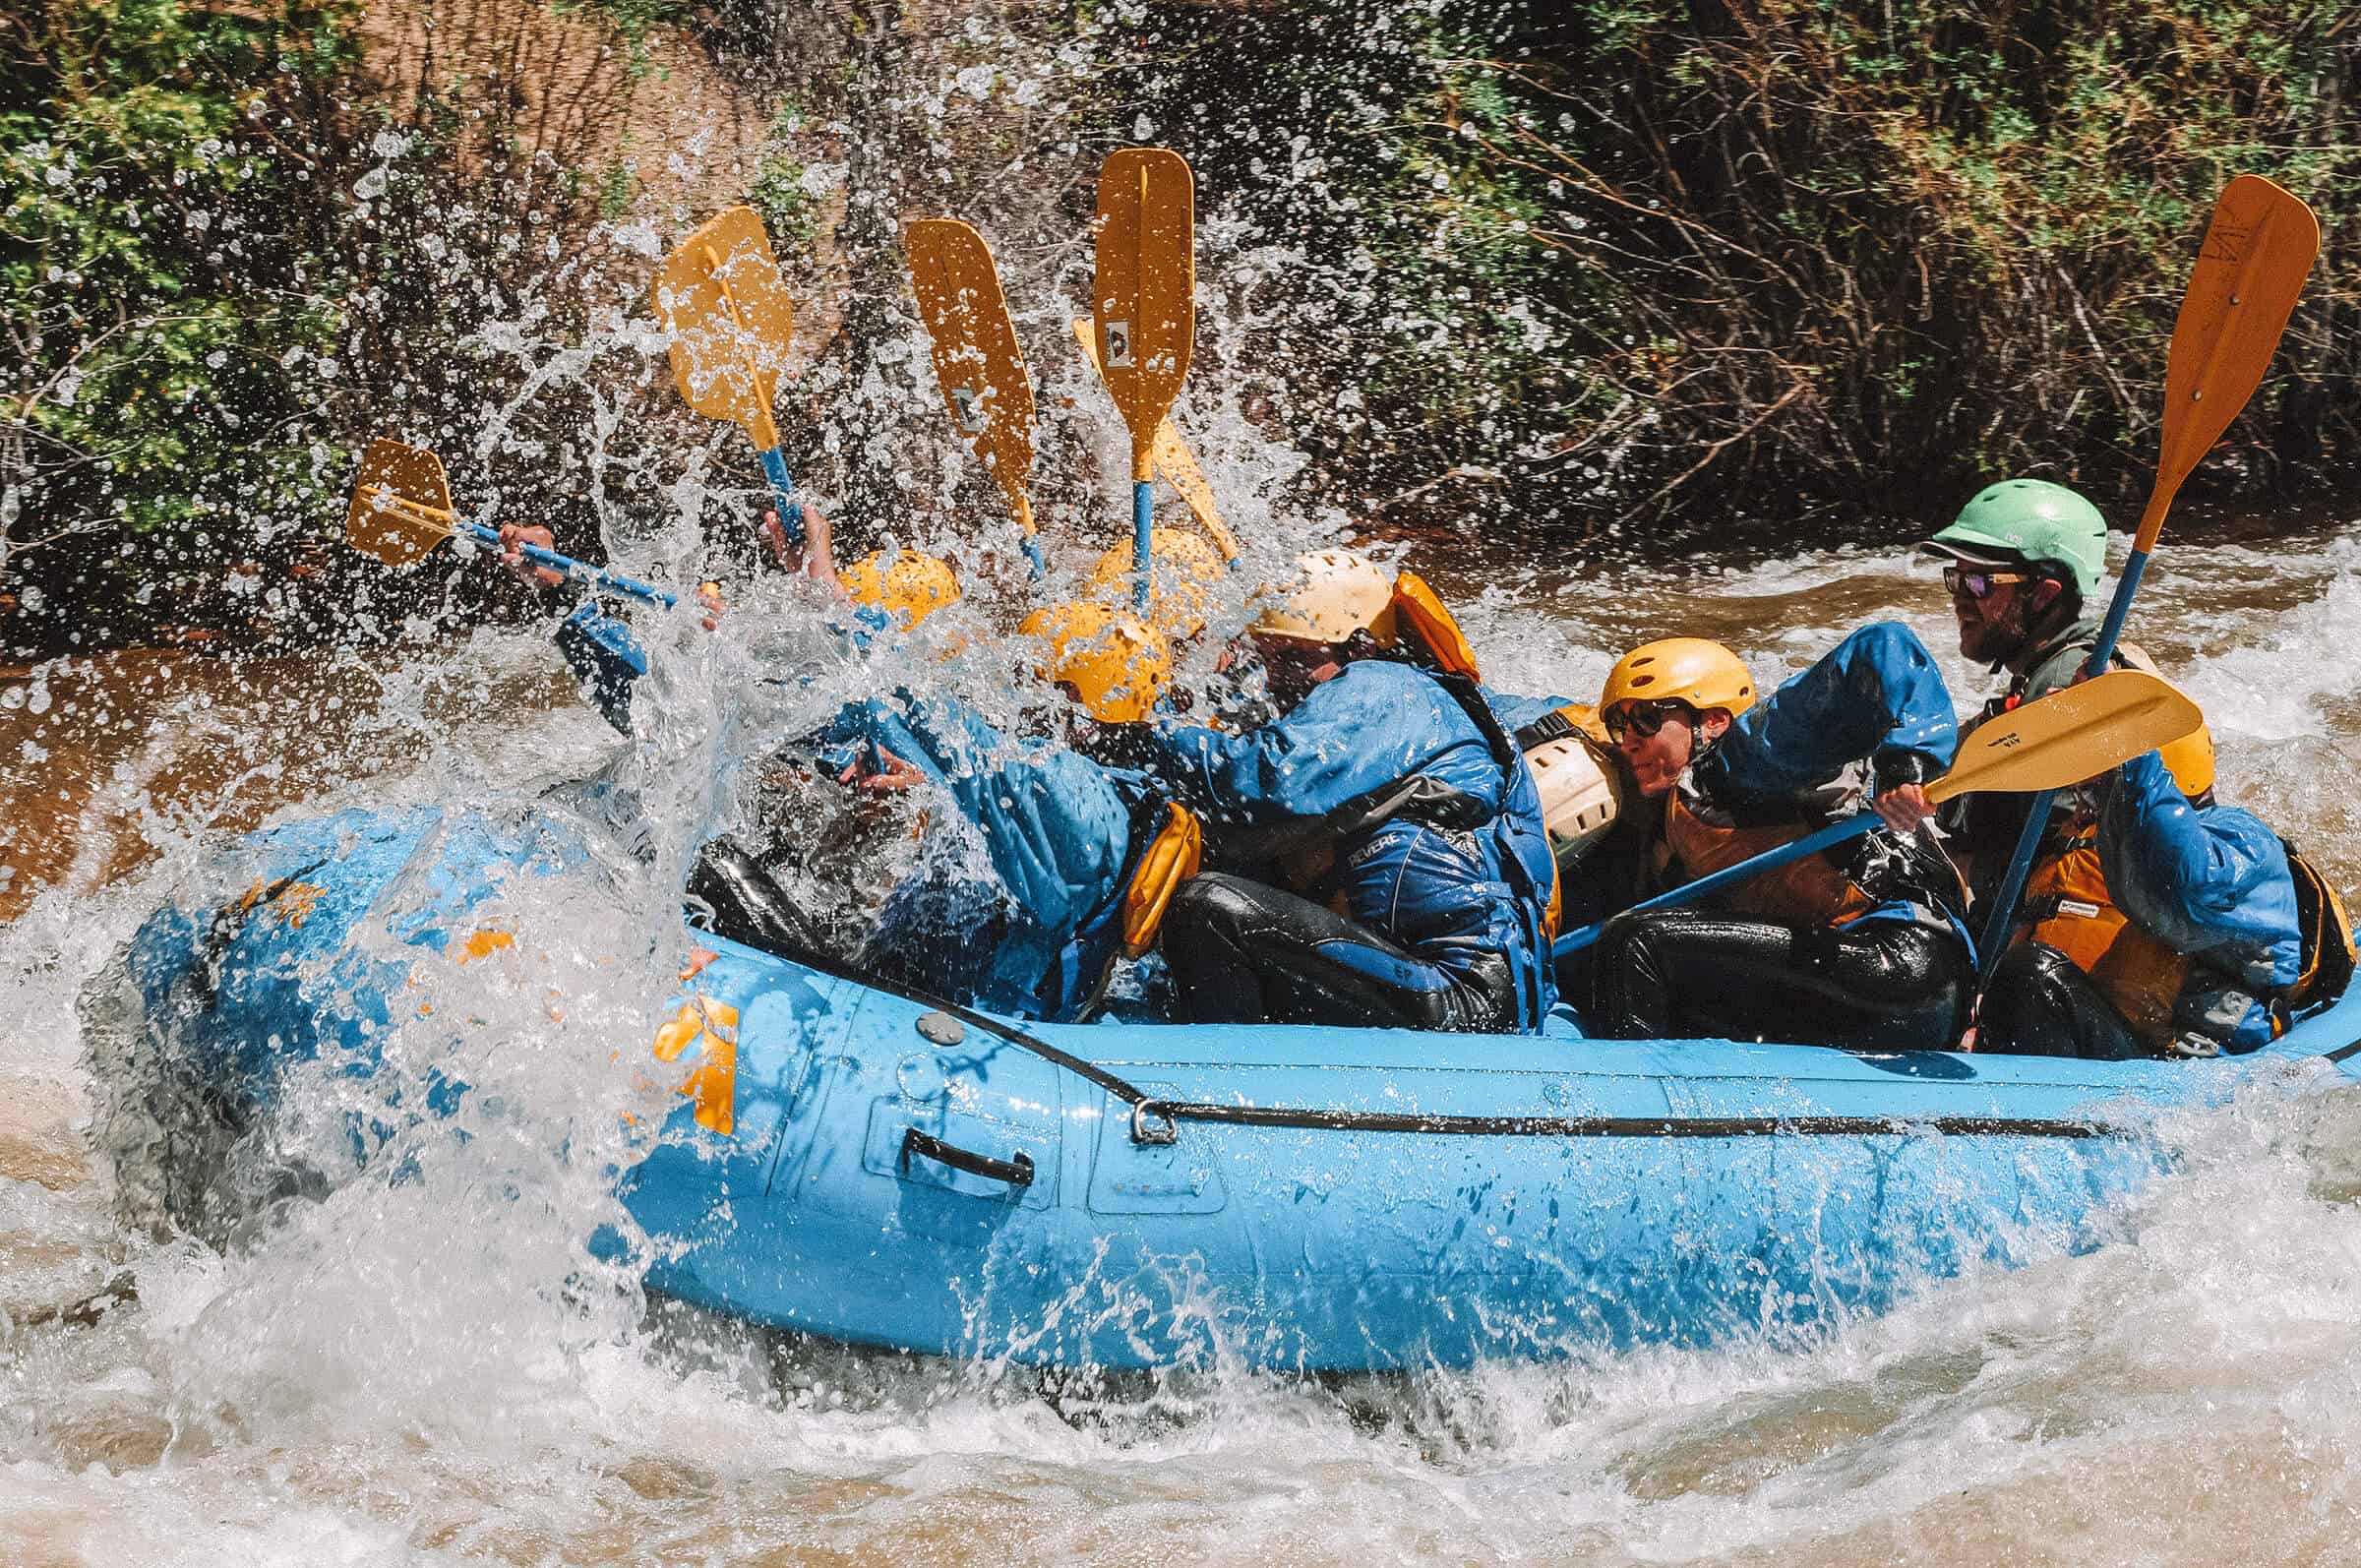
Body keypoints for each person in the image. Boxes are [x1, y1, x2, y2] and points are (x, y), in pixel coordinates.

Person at [1920, 478, 2353, 1056]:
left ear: (2045, 593)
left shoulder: (2074, 688)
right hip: (2079, 967)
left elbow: (2155, 871)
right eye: (1956, 576)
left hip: (2143, 1016)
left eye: (1980, 580)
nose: (1961, 595)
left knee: (2023, 973)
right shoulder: (2055, 680)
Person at [1125, 548, 1560, 1034]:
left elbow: (1265, 782)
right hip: (1414, 974)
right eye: (1269, 659)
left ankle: (1219, 1089)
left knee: (1209, 907)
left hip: (1462, 995)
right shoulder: (1380, 721)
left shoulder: (1386, 687)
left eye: (1294, 658)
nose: (1277, 680)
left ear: (1360, 648)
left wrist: (1138, 737)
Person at [1583, 629, 1973, 1051]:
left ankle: (1631, 1108)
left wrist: (1906, 765)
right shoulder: (1664, 815)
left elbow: (1885, 649)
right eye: (1619, 724)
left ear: (1712, 721)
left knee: (1635, 942)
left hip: (1899, 963)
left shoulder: (1748, 756)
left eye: (1647, 718)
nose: (1628, 741)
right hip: (1839, 974)